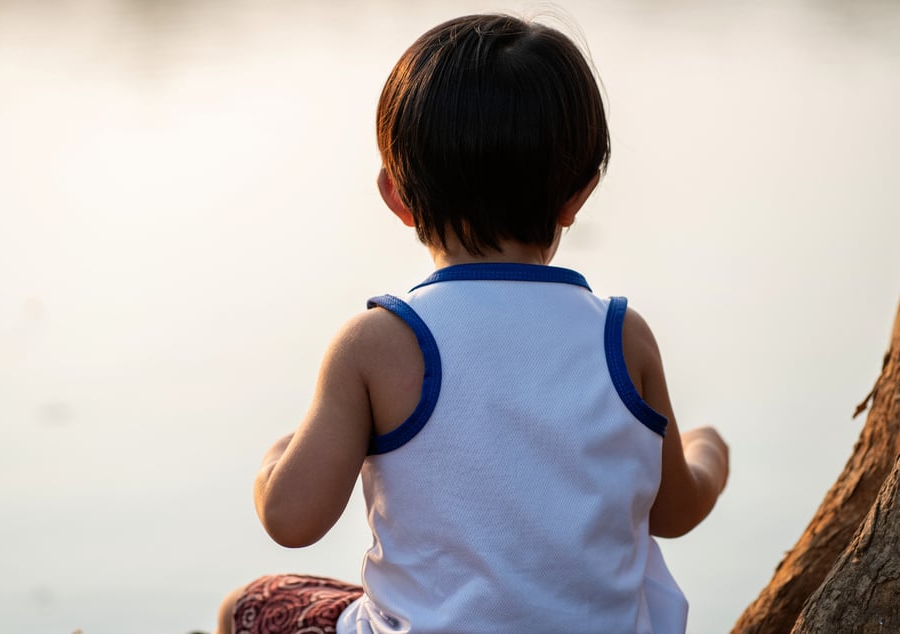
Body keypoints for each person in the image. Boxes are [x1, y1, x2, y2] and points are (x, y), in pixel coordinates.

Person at [216, 13, 729, 634]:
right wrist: (709, 454)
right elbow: (673, 510)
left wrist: (275, 460)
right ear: (580, 194)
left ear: (396, 196)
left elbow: (290, 520)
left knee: (250, 605)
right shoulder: (623, 338)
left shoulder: (379, 342)